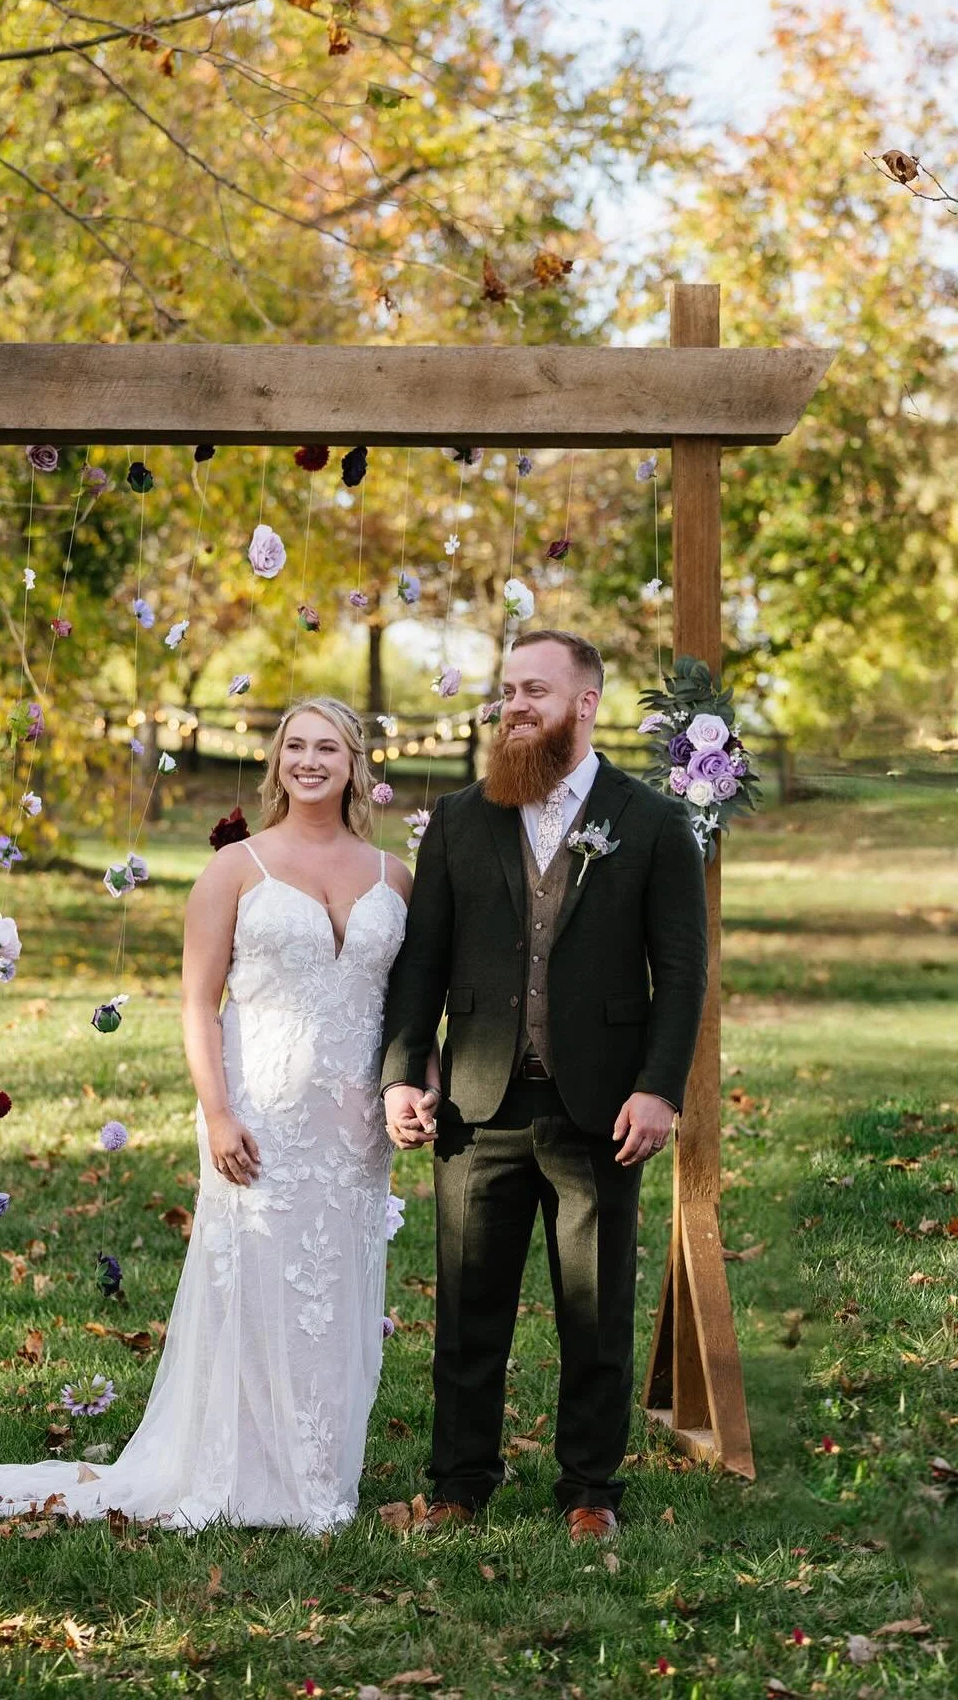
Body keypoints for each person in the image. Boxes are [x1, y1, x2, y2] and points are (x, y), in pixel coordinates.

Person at [0, 696, 414, 1532]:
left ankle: (317, 1476)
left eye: (328, 748)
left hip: (353, 1129)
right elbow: (198, 1005)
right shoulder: (237, 869)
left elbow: (408, 1007)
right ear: (275, 762)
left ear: (354, 763)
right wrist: (218, 1114)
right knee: (257, 1286)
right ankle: (239, 1472)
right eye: (295, 745)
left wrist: (418, 1084)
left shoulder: (392, 876)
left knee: (334, 1292)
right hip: (258, 1112)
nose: (310, 760)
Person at [380, 630, 707, 1541]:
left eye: (535, 690)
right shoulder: (459, 817)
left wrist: (659, 1088)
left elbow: (680, 973)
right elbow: (421, 964)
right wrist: (403, 1071)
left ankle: (591, 1491)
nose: (514, 705)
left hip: (601, 1109)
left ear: (586, 703)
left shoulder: (649, 821)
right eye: (507, 691)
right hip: (476, 1107)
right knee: (465, 1301)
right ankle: (458, 1480)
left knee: (594, 1307)